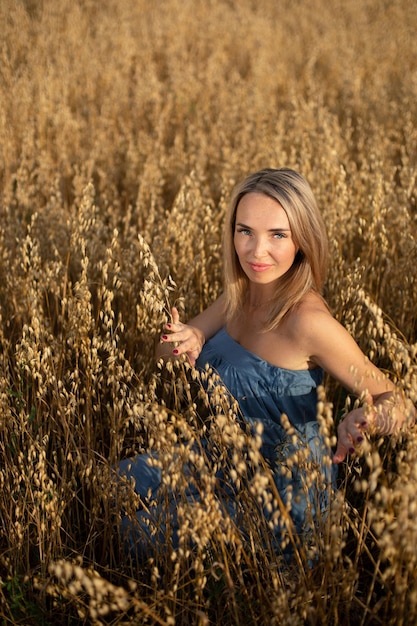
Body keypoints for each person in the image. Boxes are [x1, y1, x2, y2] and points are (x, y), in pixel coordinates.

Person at [119, 167, 413, 556]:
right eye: (245, 231)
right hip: (225, 456)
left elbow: (401, 403)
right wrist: (184, 339)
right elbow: (167, 353)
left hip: (283, 492)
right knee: (114, 483)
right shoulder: (240, 293)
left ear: (302, 241)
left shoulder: (308, 322)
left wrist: (370, 418)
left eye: (278, 234)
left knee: (134, 531)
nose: (257, 252)